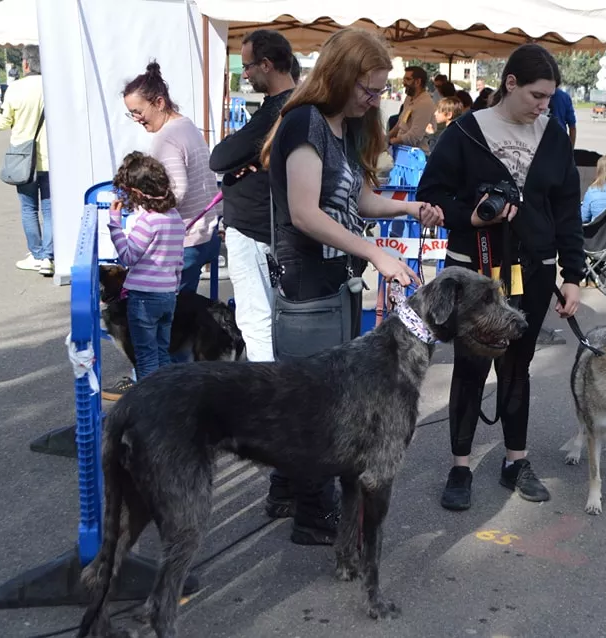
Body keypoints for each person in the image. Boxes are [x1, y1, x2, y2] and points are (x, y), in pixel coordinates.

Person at [260, 27, 444, 544]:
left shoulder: (342, 128)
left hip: (337, 287)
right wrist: (373, 251)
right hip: (308, 288)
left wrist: (408, 206)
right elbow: (303, 213)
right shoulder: (304, 122)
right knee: (317, 409)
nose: (376, 99)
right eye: (369, 89)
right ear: (338, 76)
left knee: (316, 400)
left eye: (381, 89)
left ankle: (289, 493)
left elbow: (358, 201)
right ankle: (311, 516)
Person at [416, 43, 585, 511]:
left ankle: (516, 460)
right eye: (536, 95)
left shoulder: (552, 136)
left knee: (517, 366)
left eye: (549, 97)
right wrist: (470, 218)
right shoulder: (465, 133)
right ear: (510, 83)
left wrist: (573, 275)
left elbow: (567, 211)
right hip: (474, 273)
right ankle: (460, 466)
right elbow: (430, 197)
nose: (543, 105)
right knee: (470, 368)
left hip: (533, 272)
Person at [209, 29, 296, 365]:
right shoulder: (294, 106)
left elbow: (219, 158)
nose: (244, 74)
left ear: (266, 64)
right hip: (268, 226)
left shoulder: (279, 109)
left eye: (247, 67)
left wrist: (245, 162)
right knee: (266, 317)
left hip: (255, 228)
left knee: (256, 319)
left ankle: (266, 398)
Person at [123, 62, 219, 294]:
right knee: (185, 313)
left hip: (184, 240)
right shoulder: (186, 125)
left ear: (159, 102)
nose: (136, 118)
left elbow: (176, 191)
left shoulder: (166, 138)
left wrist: (144, 215)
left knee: (170, 318)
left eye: (138, 111)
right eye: (131, 113)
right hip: (205, 233)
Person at [106, 152, 185, 380]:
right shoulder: (174, 217)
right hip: (168, 295)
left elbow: (128, 256)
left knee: (145, 355)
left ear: (137, 192)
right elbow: (178, 261)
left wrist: (115, 225)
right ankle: (168, 395)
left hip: (144, 298)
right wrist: (174, 287)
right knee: (162, 351)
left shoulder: (148, 221)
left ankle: (150, 404)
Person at [0, 46, 53, 276]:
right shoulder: (52, 86)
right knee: (49, 209)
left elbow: (1, 122)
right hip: (51, 158)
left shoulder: (16, 88)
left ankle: (37, 254)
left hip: (23, 158)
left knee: (29, 208)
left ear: (26, 64)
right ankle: (49, 256)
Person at [388, 65, 437, 150]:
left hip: (415, 156)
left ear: (418, 82)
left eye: (408, 79)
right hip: (402, 149)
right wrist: (385, 138)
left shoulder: (425, 104)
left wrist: (392, 141)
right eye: (404, 79)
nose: (403, 83)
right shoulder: (409, 98)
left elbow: (414, 136)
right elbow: (400, 124)